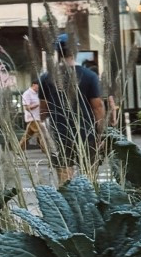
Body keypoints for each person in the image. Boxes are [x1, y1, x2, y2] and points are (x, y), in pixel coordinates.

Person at [38, 40, 104, 184]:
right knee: (89, 175)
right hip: (86, 133)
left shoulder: (46, 78)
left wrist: (43, 134)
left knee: (64, 177)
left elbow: (43, 109)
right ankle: (88, 204)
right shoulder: (89, 76)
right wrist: (100, 132)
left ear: (57, 53)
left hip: (59, 133)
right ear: (75, 51)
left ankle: (67, 203)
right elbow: (97, 107)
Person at [20, 78, 44, 152]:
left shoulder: (37, 94)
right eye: (38, 86)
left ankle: (19, 149)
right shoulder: (27, 94)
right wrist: (38, 104)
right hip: (32, 118)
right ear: (34, 85)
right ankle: (46, 149)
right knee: (42, 133)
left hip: (38, 117)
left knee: (27, 135)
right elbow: (27, 107)